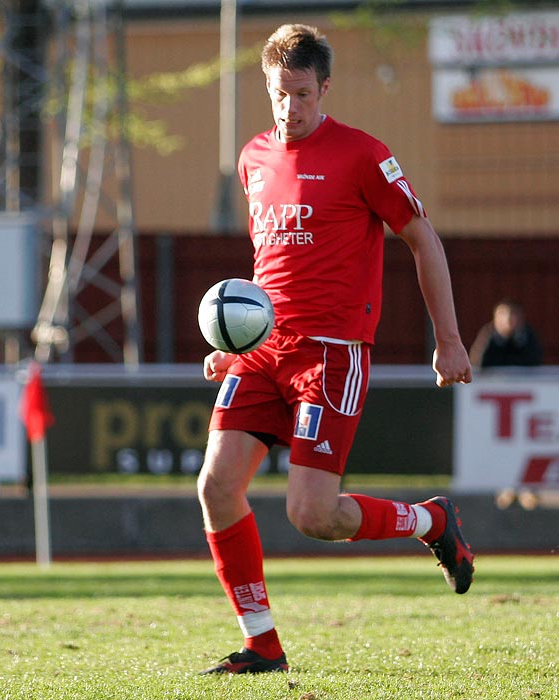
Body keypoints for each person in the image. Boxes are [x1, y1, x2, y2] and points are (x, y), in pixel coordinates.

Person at [197, 24, 475, 675]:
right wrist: (232, 343)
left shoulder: (361, 155)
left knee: (313, 515)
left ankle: (429, 521)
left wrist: (450, 339)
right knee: (214, 486)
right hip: (263, 352)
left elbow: (421, 237)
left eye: (300, 94)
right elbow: (270, 268)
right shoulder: (252, 158)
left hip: (330, 354)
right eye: (277, 94)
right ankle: (261, 643)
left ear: (323, 89)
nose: (288, 108)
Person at [469, 298, 542, 369]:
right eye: (502, 314)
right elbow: (477, 364)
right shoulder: (488, 335)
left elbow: (534, 363)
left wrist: (518, 340)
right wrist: (500, 339)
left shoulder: (528, 336)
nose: (508, 319)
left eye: (513, 314)